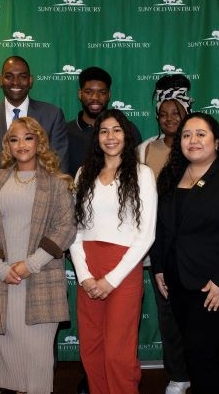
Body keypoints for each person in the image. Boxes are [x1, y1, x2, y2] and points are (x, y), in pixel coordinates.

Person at [150, 112, 219, 394]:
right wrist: (160, 267)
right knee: (194, 348)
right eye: (187, 135)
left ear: (217, 141)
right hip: (178, 279)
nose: (193, 140)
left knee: (201, 348)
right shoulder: (172, 175)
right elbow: (162, 228)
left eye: (201, 134)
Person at [0, 116, 76, 394]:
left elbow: (66, 227)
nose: (21, 144)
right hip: (3, 281)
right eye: (14, 139)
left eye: (28, 137)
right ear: (7, 144)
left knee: (39, 359)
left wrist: (29, 265)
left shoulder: (56, 183)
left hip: (40, 280)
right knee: (9, 361)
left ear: (39, 142)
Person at [70, 109, 157, 394]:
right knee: (92, 348)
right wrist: (84, 277)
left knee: (117, 354)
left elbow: (146, 235)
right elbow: (76, 230)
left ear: (127, 134)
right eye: (104, 131)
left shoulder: (142, 173)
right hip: (88, 268)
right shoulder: (84, 172)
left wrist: (111, 279)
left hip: (124, 268)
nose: (110, 136)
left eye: (117, 130)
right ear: (97, 137)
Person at [137, 74, 192, 394]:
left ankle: (210, 373)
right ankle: (178, 376)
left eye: (177, 112)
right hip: (162, 251)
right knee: (169, 316)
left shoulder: (200, 144)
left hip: (199, 250)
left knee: (203, 317)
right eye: (164, 113)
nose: (170, 118)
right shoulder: (144, 150)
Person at [0, 55, 69, 176]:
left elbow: (59, 165)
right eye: (8, 76)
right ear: (0, 80)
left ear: (30, 80)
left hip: (43, 192)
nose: (15, 82)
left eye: (22, 77)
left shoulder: (52, 115)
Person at [67, 66, 142, 177]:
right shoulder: (65, 131)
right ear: (80, 94)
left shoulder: (127, 128)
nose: (95, 98)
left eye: (102, 92)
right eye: (88, 92)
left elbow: (137, 168)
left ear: (109, 95)